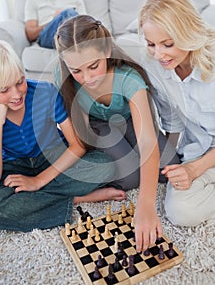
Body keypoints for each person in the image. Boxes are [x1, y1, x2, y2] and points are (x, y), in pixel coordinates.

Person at [55, 14, 180, 251]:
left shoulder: (128, 78)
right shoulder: (63, 77)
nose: (88, 78)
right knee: (131, 177)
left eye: (93, 66)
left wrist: (145, 204)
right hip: (98, 126)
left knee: (169, 165)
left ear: (106, 51)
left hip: (130, 119)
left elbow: (147, 142)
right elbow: (79, 135)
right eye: (77, 71)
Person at [0, 40, 126, 232]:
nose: (16, 94)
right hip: (13, 167)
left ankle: (37, 201)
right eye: (4, 90)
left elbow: (77, 146)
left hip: (52, 157)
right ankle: (77, 199)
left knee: (105, 165)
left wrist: (38, 181)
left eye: (20, 81)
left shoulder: (44, 92)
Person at [139, 0, 215, 227]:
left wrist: (195, 170)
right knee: (179, 210)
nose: (159, 55)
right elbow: (171, 121)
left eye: (168, 44)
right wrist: (172, 161)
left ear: (188, 32)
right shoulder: (155, 66)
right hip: (200, 151)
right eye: (151, 44)